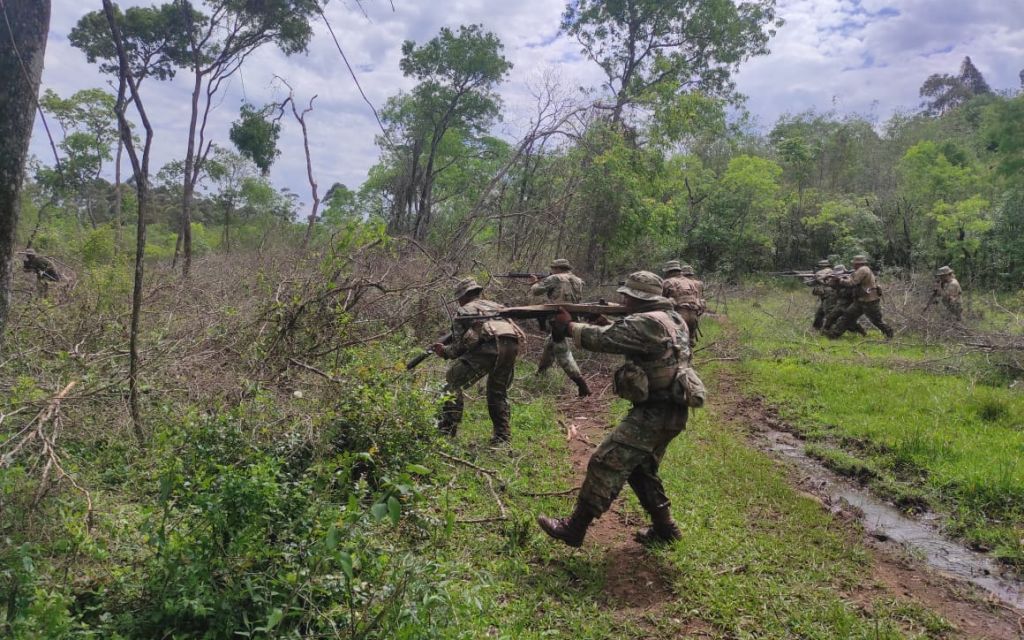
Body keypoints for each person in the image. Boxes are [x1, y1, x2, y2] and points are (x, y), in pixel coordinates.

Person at [537, 271, 690, 547]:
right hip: (673, 409)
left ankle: (574, 528)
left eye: (627, 296)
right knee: (640, 468)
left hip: (654, 412)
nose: (623, 299)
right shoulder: (673, 318)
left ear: (639, 299)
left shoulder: (645, 321)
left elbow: (604, 340)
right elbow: (639, 341)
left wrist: (569, 327)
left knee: (605, 461)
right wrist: (605, 322)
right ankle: (666, 529)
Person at [433, 278, 524, 445]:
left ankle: (447, 430)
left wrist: (443, 351)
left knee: (452, 382)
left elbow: (458, 349)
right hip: (511, 347)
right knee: (497, 391)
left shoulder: (464, 311)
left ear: (463, 296)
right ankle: (502, 437)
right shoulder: (496, 305)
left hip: (488, 349)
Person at [529, 259, 590, 396]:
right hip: (572, 318)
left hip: (558, 319)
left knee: (561, 351)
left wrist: (535, 282)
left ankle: (582, 385)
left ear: (556, 268)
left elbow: (536, 291)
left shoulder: (555, 278)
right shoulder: (577, 280)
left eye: (552, 269)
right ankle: (540, 375)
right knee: (549, 344)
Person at [826, 255, 893, 339]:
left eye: (854, 263)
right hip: (860, 301)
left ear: (858, 263)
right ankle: (834, 335)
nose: (853, 265)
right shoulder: (860, 270)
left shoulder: (863, 270)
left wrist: (840, 280)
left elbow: (852, 283)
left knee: (876, 321)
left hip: (869, 301)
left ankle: (889, 334)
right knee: (847, 316)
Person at [661, 260, 704, 348]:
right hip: (693, 316)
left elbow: (660, 300)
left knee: (676, 344)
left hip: (678, 316)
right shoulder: (691, 282)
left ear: (668, 271)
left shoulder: (667, 282)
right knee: (689, 343)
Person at [821, 265, 866, 336]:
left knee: (850, 322)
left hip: (850, 303)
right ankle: (824, 332)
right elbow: (831, 285)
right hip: (841, 302)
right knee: (831, 317)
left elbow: (851, 286)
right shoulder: (837, 279)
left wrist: (842, 280)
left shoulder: (851, 278)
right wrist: (829, 279)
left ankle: (862, 332)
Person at [810, 259, 833, 330]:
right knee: (820, 313)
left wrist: (814, 276)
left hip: (828, 295)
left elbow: (814, 281)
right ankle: (816, 328)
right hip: (827, 295)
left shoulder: (825, 271)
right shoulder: (829, 271)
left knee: (829, 313)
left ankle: (831, 328)